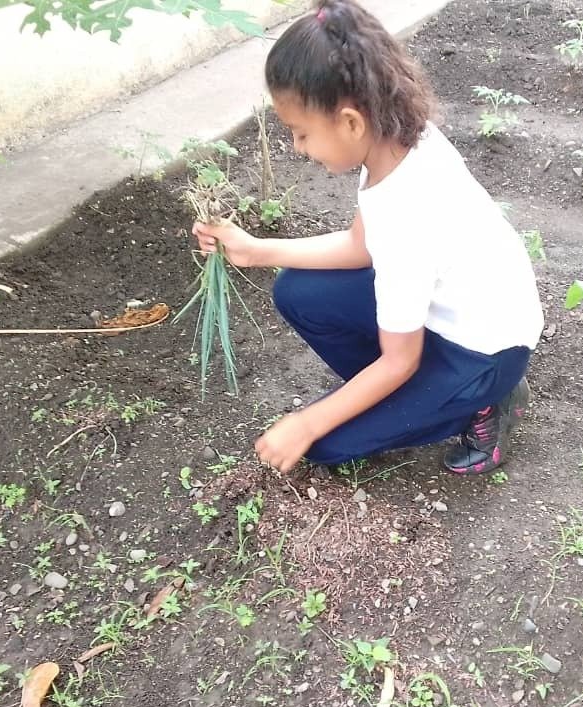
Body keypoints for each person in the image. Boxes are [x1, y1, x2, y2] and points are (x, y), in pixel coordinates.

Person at [192, 0, 543, 476]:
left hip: (485, 354)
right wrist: (255, 250)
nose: (297, 147)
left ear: (351, 121)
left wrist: (306, 423)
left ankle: (484, 404)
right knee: (298, 291)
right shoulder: (400, 142)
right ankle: (420, 398)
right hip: (458, 318)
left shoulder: (407, 214)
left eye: (300, 133)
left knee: (324, 445)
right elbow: (361, 247)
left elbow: (400, 360)